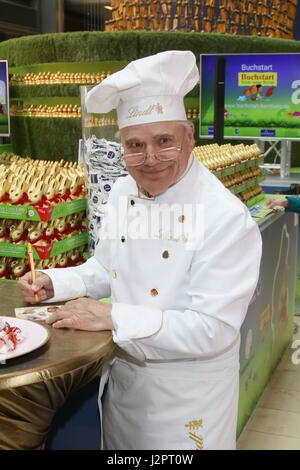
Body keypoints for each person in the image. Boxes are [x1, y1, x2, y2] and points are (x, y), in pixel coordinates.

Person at [18, 50, 262, 450]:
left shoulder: (225, 218)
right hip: (125, 388)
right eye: (135, 145)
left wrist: (112, 316)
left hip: (186, 401)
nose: (150, 159)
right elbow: (106, 267)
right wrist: (54, 281)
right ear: (121, 147)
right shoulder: (122, 192)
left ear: (188, 137)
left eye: (164, 141)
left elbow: (211, 329)